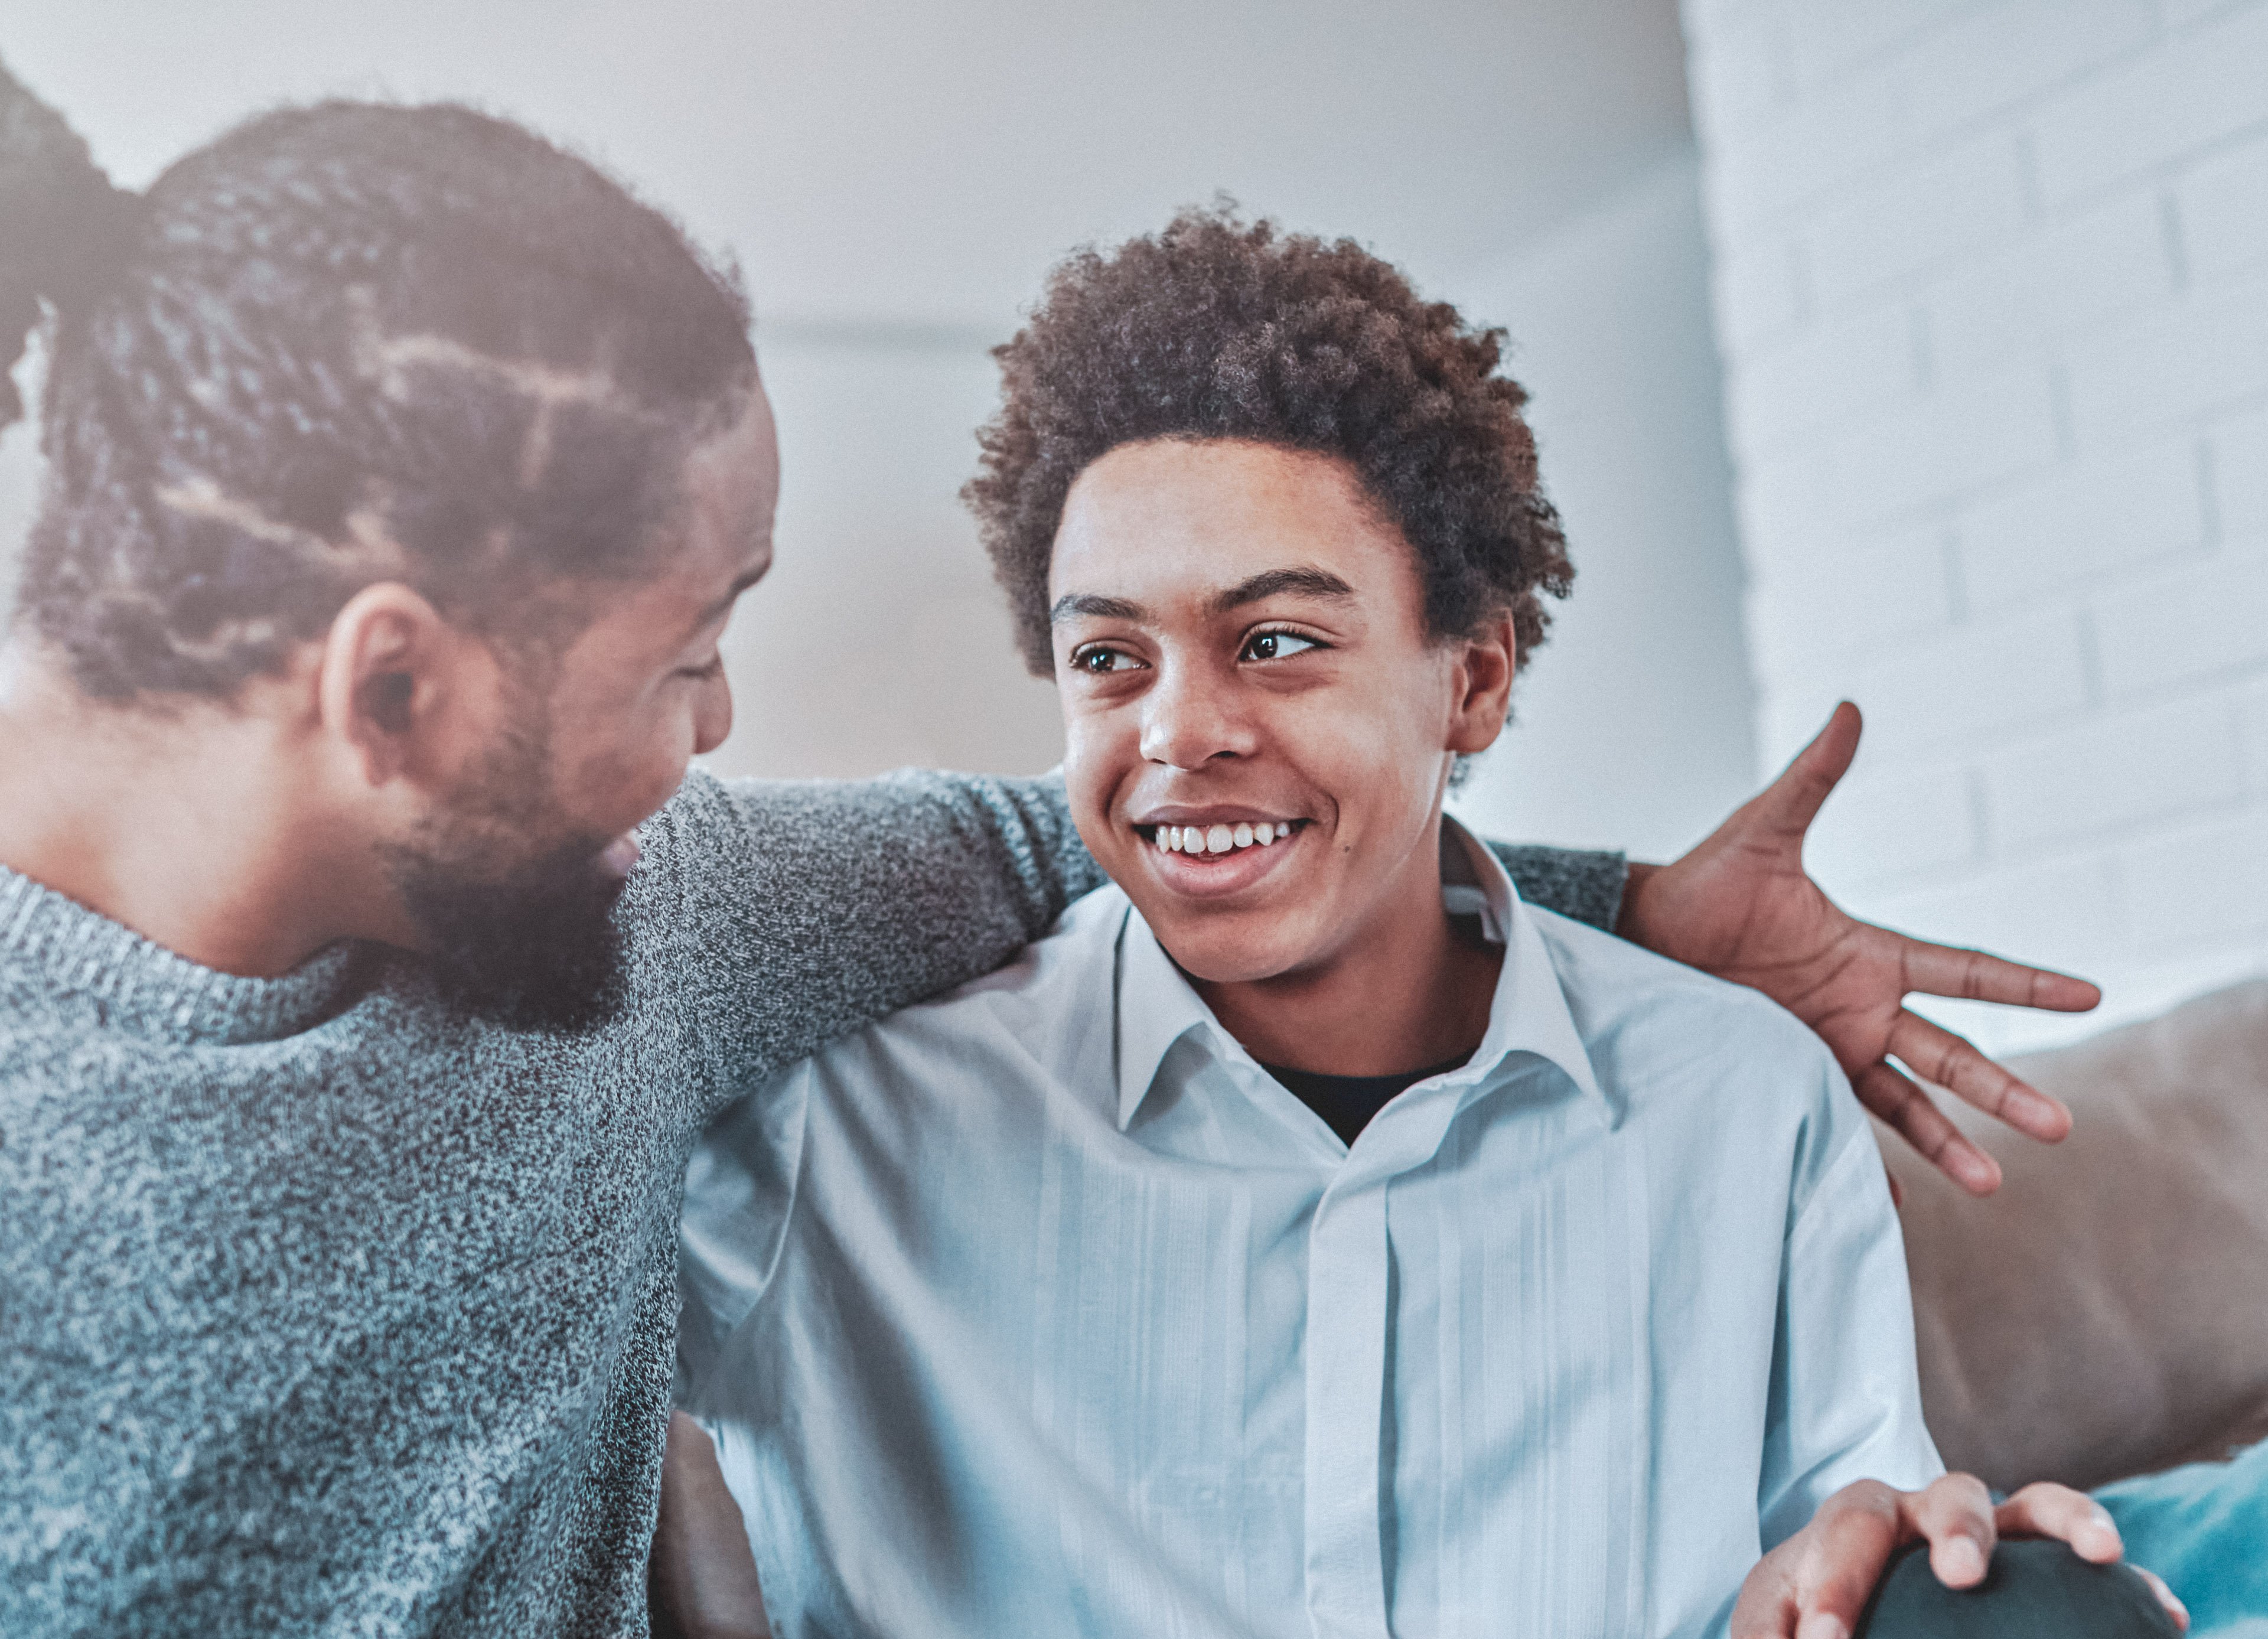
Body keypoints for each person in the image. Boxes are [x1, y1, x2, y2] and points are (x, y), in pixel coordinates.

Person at [0, 63, 2103, 1635]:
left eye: (1275, 634)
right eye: (687, 660)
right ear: (396, 705)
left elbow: (1077, 829)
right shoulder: (724, 1023)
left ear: (1477, 667)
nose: (720, 743)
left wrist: (1629, 904)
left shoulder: (668, 923)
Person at [672, 210, 2184, 1638]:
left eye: (1276, 641)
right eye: (1109, 658)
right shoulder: (834, 1123)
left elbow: (1836, 1561)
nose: (1180, 729)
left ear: (1472, 681)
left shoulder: (1741, 1102)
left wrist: (1957, 1580)